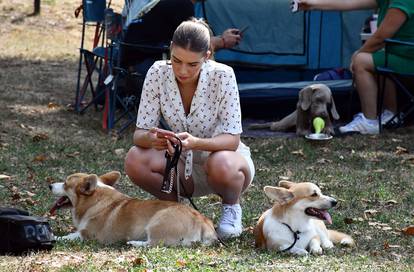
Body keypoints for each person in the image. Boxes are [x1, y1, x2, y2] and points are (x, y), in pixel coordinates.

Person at [124, 18, 255, 239]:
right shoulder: (157, 72)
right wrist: (153, 139)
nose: (182, 70)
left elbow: (232, 140)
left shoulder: (223, 75)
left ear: (207, 56)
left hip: (225, 164)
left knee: (221, 161)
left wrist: (196, 143)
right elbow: (139, 134)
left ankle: (231, 209)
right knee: (134, 159)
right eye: (176, 60)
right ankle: (175, 212)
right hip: (180, 162)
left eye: (192, 64)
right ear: (170, 50)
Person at [296, 0, 414, 134]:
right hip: (403, 57)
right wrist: (312, 4)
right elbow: (348, 2)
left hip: (410, 60)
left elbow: (381, 38)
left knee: (362, 61)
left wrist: (359, 54)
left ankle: (369, 121)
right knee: (377, 58)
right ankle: (389, 115)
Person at [121, 0, 243, 67]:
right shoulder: (183, 4)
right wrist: (223, 41)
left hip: (131, 60)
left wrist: (221, 38)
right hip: (143, 65)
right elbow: (193, 44)